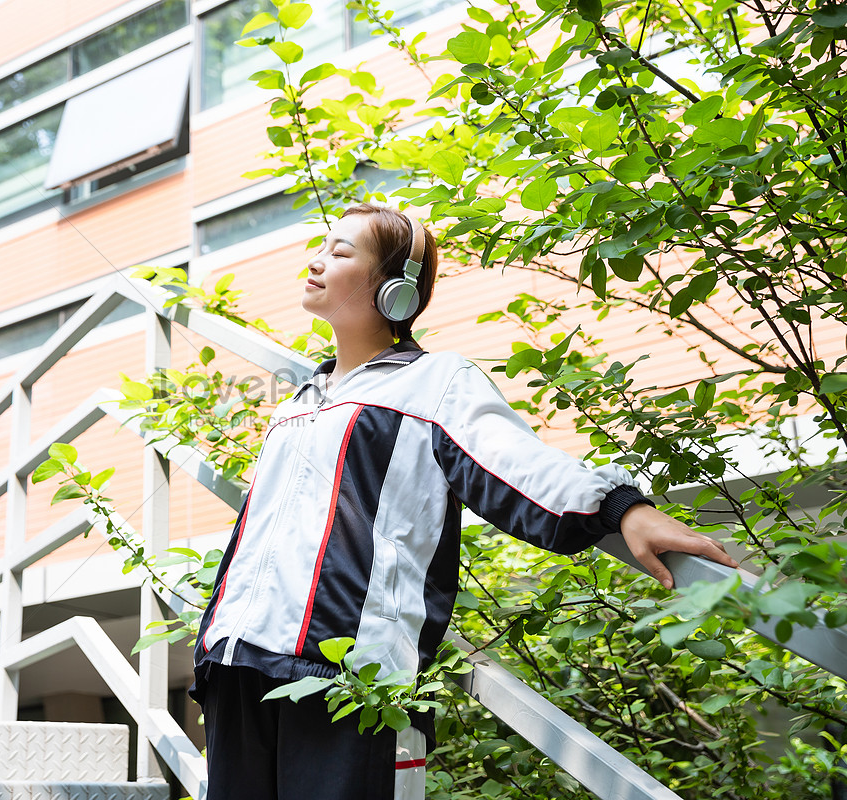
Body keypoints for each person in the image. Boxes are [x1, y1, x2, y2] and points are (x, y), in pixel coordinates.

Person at [189, 202, 738, 800]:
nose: (317, 263)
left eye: (341, 253)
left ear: (393, 289)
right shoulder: (296, 403)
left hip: (349, 682)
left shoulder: (436, 383)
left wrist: (621, 507)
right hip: (240, 667)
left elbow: (516, 464)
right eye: (320, 248)